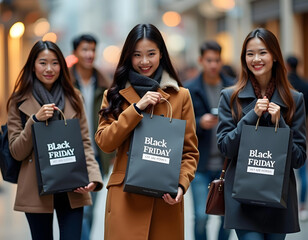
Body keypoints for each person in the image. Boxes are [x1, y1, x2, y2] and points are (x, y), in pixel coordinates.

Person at [95, 23, 199, 240]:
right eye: (137, 55)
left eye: (151, 54)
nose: (144, 61)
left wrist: (181, 184)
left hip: (164, 200)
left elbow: (189, 152)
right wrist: (136, 109)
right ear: (128, 57)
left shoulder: (181, 96)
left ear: (161, 53)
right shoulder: (114, 94)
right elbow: (105, 142)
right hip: (125, 198)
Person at [6, 40, 103, 240]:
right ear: (33, 65)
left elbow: (84, 141)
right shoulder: (18, 101)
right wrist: (34, 121)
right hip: (36, 187)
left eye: (55, 63)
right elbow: (16, 151)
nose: (49, 69)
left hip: (73, 185)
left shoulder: (74, 97)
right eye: (43, 63)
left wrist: (93, 176)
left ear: (62, 65)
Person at [216, 28, 306, 240]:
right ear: (244, 58)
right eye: (250, 53)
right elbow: (225, 147)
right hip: (243, 198)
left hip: (278, 198)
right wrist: (250, 117)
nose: (256, 59)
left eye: (262, 52)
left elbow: (298, 158)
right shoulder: (230, 97)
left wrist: (281, 124)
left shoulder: (294, 99)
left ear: (274, 56)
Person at [185, 40, 234, 240]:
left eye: (216, 60)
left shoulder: (233, 87)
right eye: (209, 60)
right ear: (201, 61)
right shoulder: (190, 89)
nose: (213, 64)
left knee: (228, 217)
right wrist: (199, 122)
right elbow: (181, 124)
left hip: (227, 163)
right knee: (200, 216)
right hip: (200, 164)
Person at [69, 34, 115, 240]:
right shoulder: (66, 83)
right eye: (84, 49)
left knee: (92, 208)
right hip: (72, 153)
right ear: (75, 52)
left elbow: (113, 120)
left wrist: (111, 152)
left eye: (92, 50)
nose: (89, 54)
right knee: (82, 209)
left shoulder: (104, 84)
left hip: (98, 154)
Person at [286, 55, 308, 221]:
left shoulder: (285, 86)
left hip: (283, 131)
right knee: (302, 172)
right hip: (302, 129)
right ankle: (301, 205)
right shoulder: (304, 84)